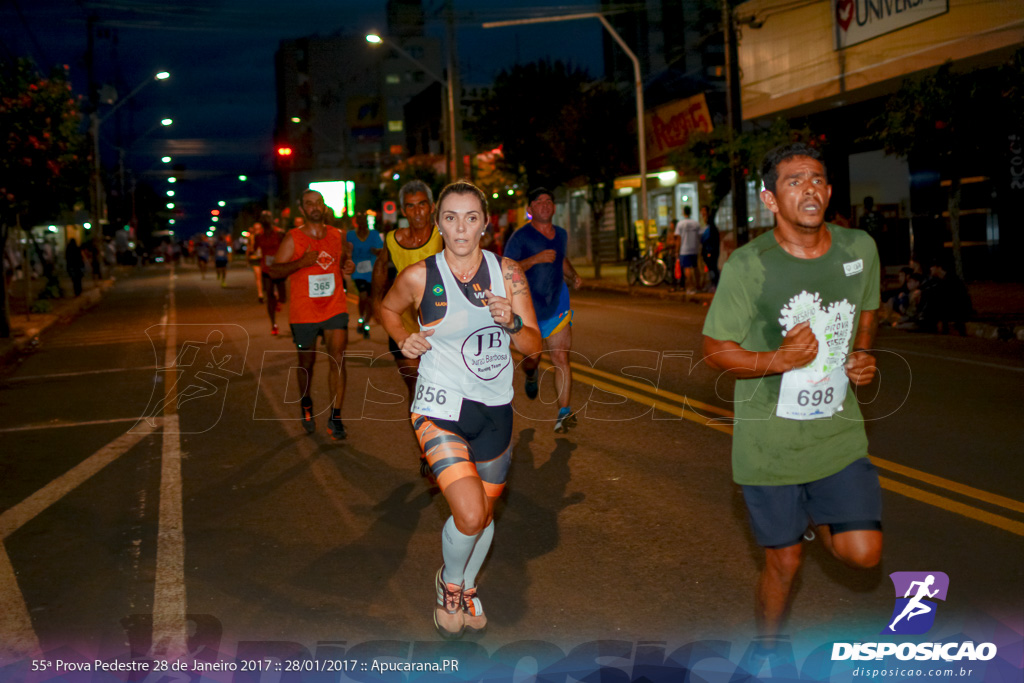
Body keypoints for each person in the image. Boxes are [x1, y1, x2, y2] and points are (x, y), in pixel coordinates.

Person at [702, 142, 883, 640]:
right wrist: (777, 359)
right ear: (770, 199)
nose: (811, 188)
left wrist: (863, 353)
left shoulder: (859, 248)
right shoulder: (749, 265)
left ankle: (812, 514)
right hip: (770, 446)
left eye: (818, 179)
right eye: (794, 180)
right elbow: (715, 349)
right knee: (784, 564)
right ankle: (767, 654)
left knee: (863, 553)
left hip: (836, 436)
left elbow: (868, 308)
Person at [380, 181, 541, 640]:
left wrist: (510, 320)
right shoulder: (419, 276)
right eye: (450, 218)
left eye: (471, 217)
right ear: (438, 223)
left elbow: (534, 346)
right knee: (469, 513)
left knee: (484, 514)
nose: (461, 228)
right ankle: (449, 585)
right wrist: (402, 337)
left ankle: (468, 586)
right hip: (439, 406)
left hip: (495, 410)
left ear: (486, 223)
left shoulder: (508, 273)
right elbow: (388, 309)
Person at [268, 189, 355, 440]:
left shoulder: (338, 235)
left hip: (334, 306)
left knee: (338, 358)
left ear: (324, 207)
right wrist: (301, 262)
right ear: (302, 209)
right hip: (304, 311)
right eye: (309, 204)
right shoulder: (293, 238)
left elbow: (343, 262)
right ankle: (306, 403)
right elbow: (274, 271)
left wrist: (346, 266)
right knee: (307, 363)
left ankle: (335, 417)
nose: (315, 207)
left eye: (319, 203)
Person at [502, 187, 582, 433]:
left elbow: (560, 258)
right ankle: (531, 372)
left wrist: (573, 276)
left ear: (554, 207)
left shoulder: (561, 234)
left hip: (558, 303)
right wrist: (535, 259)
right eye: (539, 202)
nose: (545, 205)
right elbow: (507, 269)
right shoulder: (520, 237)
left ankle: (564, 412)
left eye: (549, 201)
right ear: (530, 209)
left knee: (561, 358)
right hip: (529, 310)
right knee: (531, 359)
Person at [372, 179, 444, 404]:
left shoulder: (443, 237)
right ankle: (423, 435)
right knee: (417, 386)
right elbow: (381, 265)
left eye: (422, 204)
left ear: (432, 207)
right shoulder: (393, 239)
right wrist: (375, 301)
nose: (417, 211)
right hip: (404, 326)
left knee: (442, 386)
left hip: (439, 326)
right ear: (403, 210)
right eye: (411, 206)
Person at [347, 211, 383, 339]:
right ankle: (362, 318)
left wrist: (377, 251)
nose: (363, 224)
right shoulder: (350, 235)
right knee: (363, 297)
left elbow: (381, 250)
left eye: (365, 221)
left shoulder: (374, 234)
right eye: (360, 221)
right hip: (358, 272)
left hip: (372, 271)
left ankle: (366, 323)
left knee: (371, 299)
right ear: (357, 222)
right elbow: (345, 250)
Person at [251, 219, 288, 335]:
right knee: (269, 295)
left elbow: (287, 246)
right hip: (266, 269)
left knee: (283, 297)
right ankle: (274, 325)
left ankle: (278, 301)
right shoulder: (259, 236)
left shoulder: (279, 233)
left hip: (279, 268)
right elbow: (254, 248)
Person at [673, 205, 701, 294]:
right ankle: (698, 286)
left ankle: (690, 287)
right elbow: (699, 236)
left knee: (687, 269)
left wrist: (677, 251)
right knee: (695, 268)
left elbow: (678, 239)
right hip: (694, 249)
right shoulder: (696, 223)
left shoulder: (680, 224)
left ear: (683, 212)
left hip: (684, 250)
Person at [699, 206, 720, 292]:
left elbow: (704, 239)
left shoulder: (710, 229)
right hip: (712, 251)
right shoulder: (711, 228)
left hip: (710, 251)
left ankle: (714, 285)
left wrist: (708, 252)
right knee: (713, 268)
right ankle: (714, 284)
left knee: (712, 269)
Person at [248, 222, 266, 302]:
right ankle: (260, 294)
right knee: (258, 276)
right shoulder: (251, 237)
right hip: (255, 258)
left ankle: (271, 292)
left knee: (266, 276)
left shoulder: (265, 236)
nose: (257, 230)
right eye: (255, 229)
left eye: (259, 228)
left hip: (264, 258)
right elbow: (249, 248)